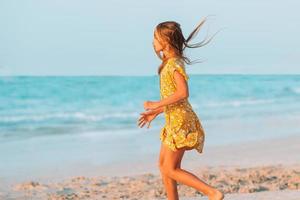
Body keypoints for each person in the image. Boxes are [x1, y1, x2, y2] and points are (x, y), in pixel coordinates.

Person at [137, 17, 224, 200]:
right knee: (163, 165)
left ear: (166, 41)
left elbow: (183, 93)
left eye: (155, 37)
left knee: (171, 168)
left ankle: (212, 193)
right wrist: (156, 112)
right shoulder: (170, 63)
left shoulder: (174, 64)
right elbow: (175, 99)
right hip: (174, 118)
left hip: (180, 120)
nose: (152, 42)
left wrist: (156, 104)